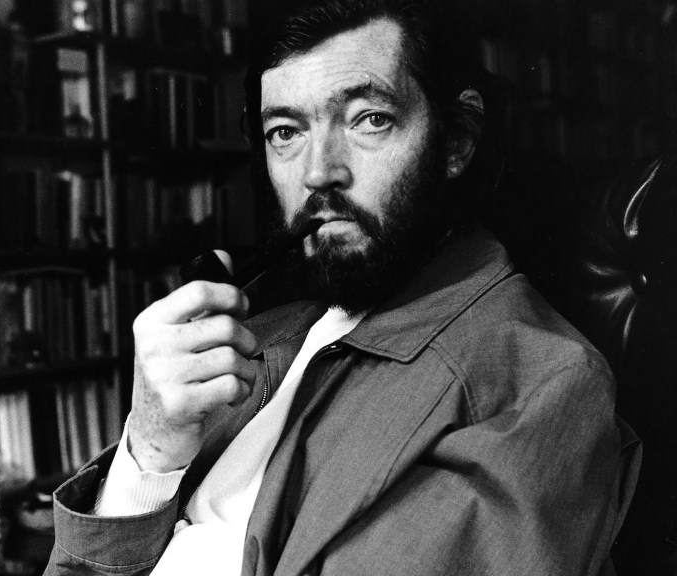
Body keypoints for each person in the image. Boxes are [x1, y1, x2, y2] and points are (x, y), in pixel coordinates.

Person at [43, 1, 640, 575]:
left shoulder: (540, 385)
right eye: (285, 131)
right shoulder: (262, 338)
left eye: (368, 119)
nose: (317, 171)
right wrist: (149, 452)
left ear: (455, 142)